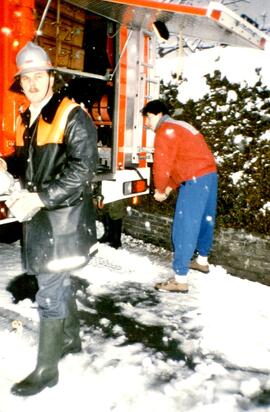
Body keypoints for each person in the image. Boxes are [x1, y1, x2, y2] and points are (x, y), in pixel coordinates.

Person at [0, 42, 98, 396]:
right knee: (57, 283)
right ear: (21, 84)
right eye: (27, 78)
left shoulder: (73, 115)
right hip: (47, 219)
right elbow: (29, 160)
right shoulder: (34, 115)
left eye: (39, 75)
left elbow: (82, 169)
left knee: (50, 290)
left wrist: (40, 197)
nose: (33, 83)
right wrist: (5, 162)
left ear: (51, 77)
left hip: (64, 221)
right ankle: (70, 339)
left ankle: (47, 370)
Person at [141, 99, 218, 293]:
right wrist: (170, 186)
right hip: (208, 175)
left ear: (157, 114)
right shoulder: (180, 125)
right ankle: (202, 260)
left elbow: (163, 163)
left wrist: (159, 189)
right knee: (204, 221)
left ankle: (180, 280)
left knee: (185, 226)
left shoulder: (165, 130)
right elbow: (182, 160)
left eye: (147, 118)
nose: (146, 123)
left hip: (195, 178)